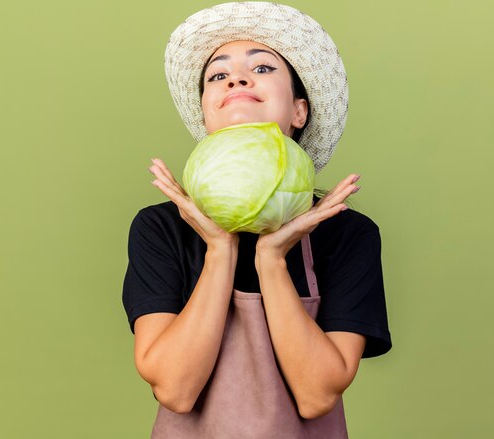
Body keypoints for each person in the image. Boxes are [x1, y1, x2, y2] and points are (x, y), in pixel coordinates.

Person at [122, 3, 392, 437]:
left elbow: (317, 395)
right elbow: (175, 389)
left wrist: (271, 259)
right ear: (208, 113)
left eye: (263, 67)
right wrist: (220, 249)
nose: (236, 78)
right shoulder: (161, 228)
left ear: (299, 111)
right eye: (217, 74)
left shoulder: (346, 233)